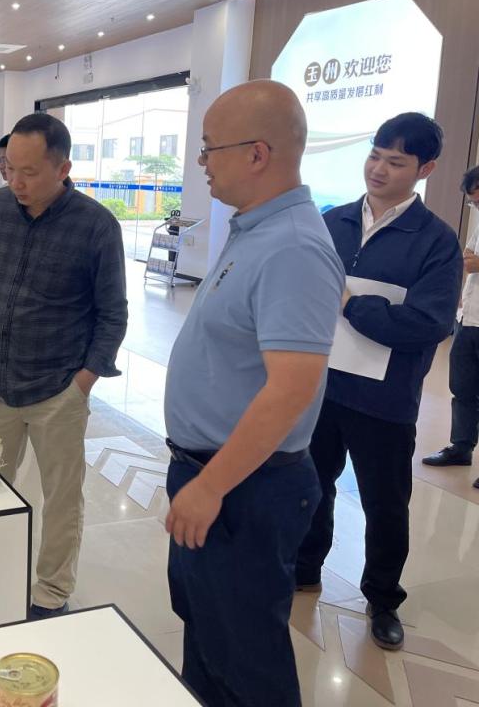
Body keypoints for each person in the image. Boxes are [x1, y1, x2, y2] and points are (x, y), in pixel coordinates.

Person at [163, 80, 344, 707]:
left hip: (244, 487)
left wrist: (211, 486)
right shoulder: (255, 231)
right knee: (210, 642)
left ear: (257, 154)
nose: (202, 162)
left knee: (248, 664)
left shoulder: (293, 247)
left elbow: (291, 390)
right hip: (216, 476)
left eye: (210, 148)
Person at [296, 113, 461, 650]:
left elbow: (427, 323)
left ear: (425, 169)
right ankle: (304, 568)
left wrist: (351, 304)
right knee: (310, 486)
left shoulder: (435, 241)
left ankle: (383, 598)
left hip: (383, 400)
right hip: (320, 387)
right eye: (375, 155)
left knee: (384, 504)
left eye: (396, 162)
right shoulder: (334, 221)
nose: (379, 169)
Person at [0, 113, 127, 619]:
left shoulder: (96, 225)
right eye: (9, 169)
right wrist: (0, 317)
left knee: (61, 497)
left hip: (58, 390)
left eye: (29, 172)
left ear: (63, 168)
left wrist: (83, 381)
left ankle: (52, 592)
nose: (16, 182)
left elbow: (113, 312)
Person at [423, 164, 479, 490]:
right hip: (468, 318)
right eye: (473, 202)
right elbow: (467, 258)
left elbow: (472, 261)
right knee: (463, 388)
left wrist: (474, 262)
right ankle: (461, 447)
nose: (476, 206)